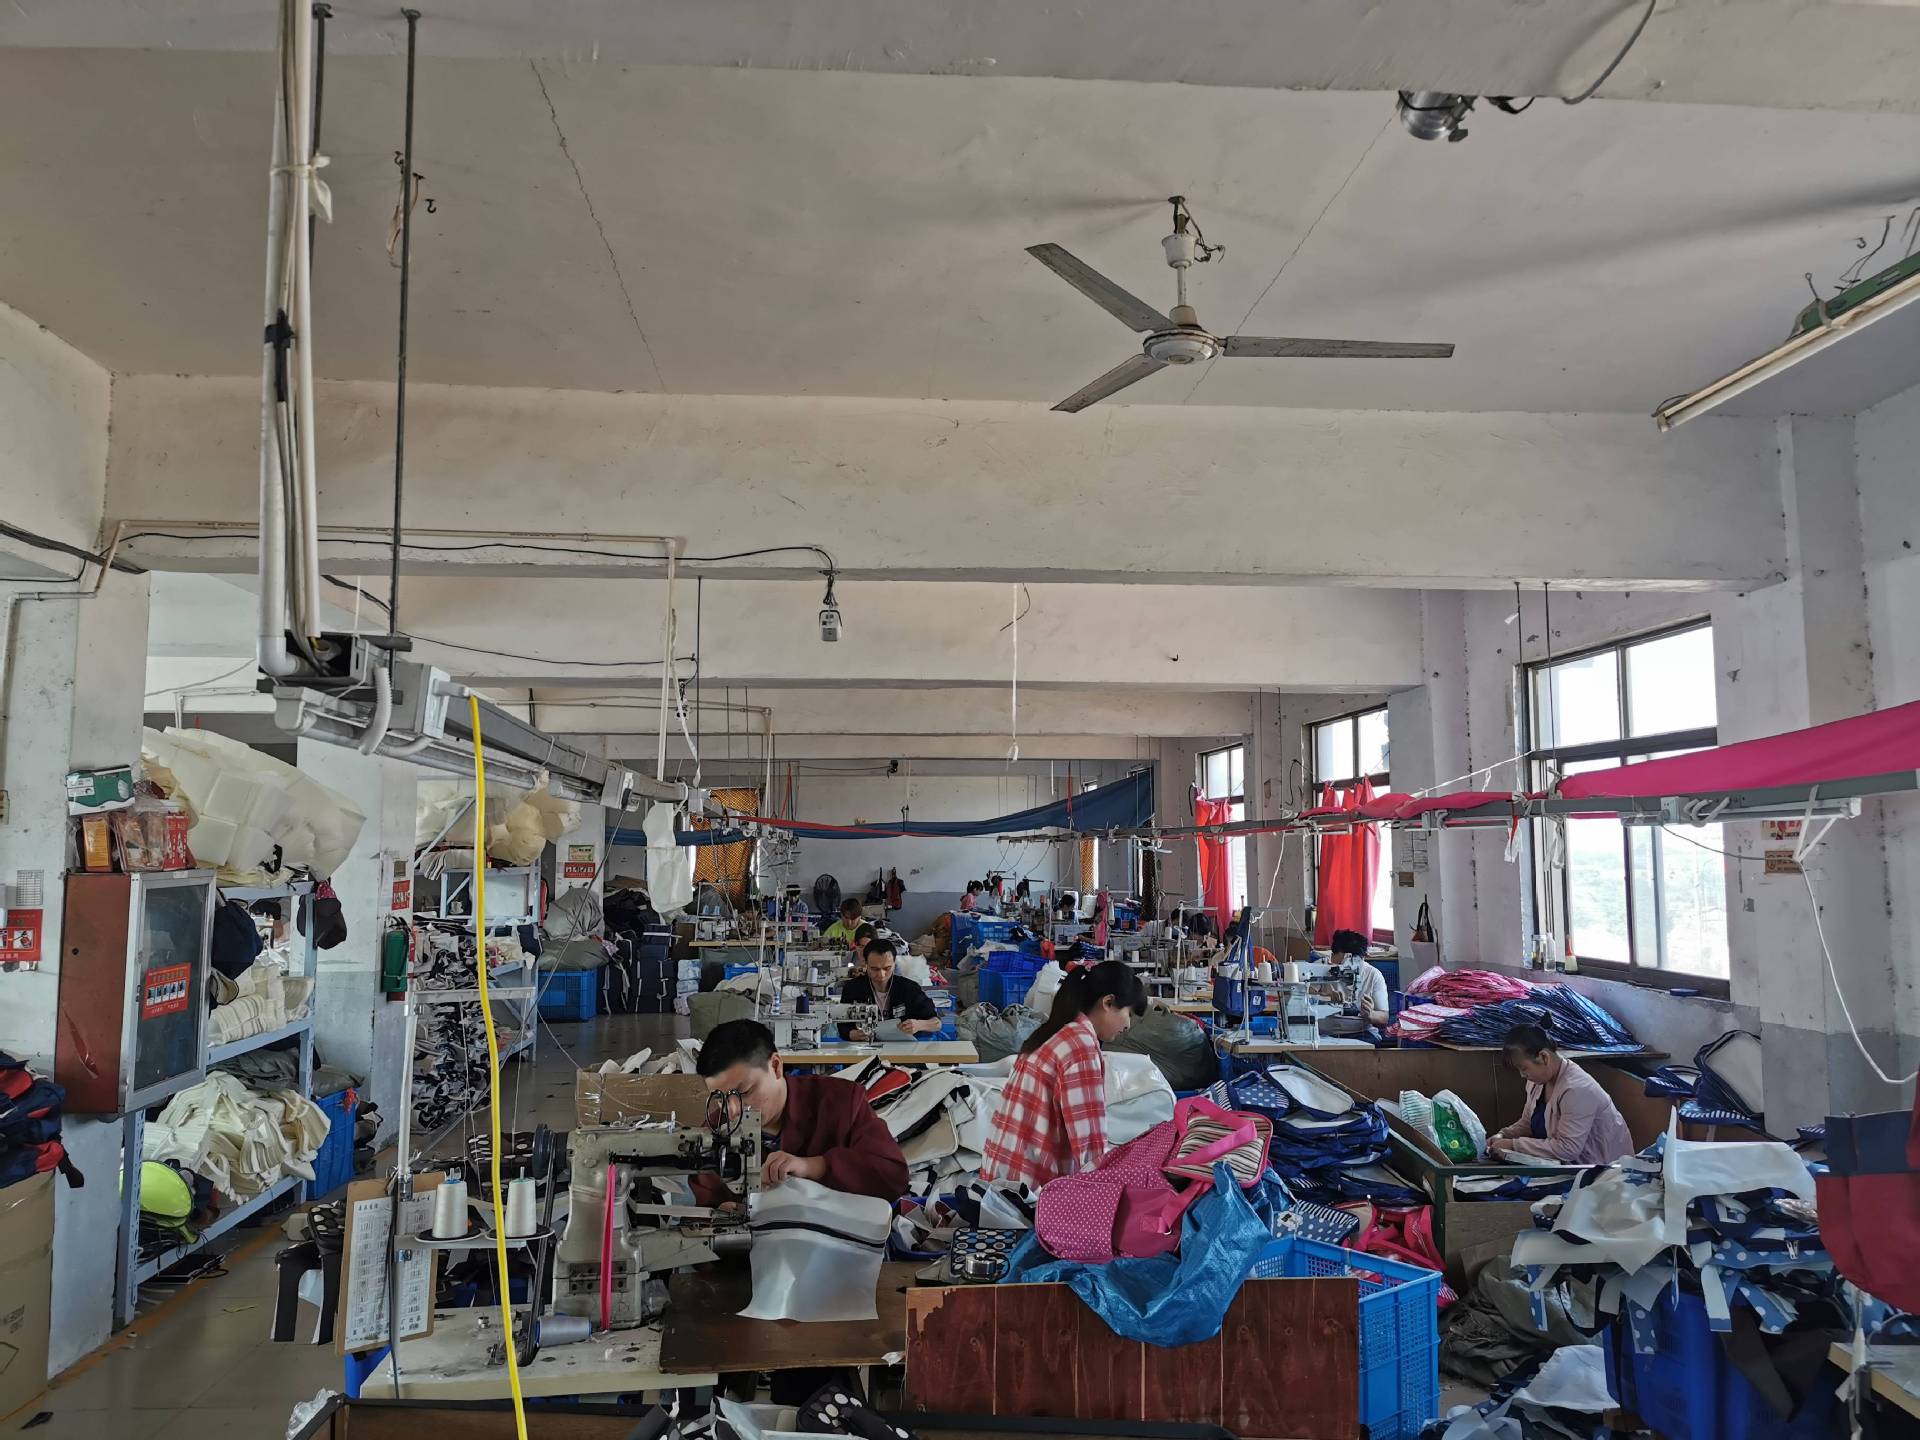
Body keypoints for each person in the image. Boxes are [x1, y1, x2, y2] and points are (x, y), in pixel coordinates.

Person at [694, 1019, 908, 1203]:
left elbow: (892, 1176)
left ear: (776, 1066)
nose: (732, 1110)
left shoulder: (840, 1102)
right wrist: (720, 1210)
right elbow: (707, 1197)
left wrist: (816, 1167)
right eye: (719, 1098)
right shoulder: (717, 1128)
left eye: (744, 1092)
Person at [979, 960, 1148, 1186]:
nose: (1127, 1026)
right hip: (1027, 1192)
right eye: (1129, 1014)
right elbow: (1090, 1152)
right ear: (1108, 1002)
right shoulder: (1080, 1046)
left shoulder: (1057, 1031)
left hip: (1000, 1179)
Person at [1491, 1024, 1635, 1165]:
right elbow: (1528, 1123)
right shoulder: (1537, 1082)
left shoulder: (1577, 1089)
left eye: (1523, 1068)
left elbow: (1568, 1148)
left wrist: (1514, 1145)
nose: (1522, 1075)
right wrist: (1503, 1135)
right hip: (1566, 1165)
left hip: (1602, 1170)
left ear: (1543, 1057)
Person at [839, 936, 940, 1040]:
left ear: (894, 963)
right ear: (865, 963)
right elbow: (842, 1026)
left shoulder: (909, 988)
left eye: (887, 968)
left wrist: (918, 1025)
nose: (881, 975)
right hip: (865, 1046)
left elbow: (937, 1023)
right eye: (874, 969)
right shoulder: (852, 988)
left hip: (903, 1046)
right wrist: (853, 1034)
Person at [1328, 928, 1392, 1027]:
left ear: (1362, 958)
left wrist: (1371, 1015)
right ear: (1333, 956)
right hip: (1326, 1031)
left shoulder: (1373, 975)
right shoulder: (1317, 969)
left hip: (1361, 1031)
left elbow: (1384, 1018)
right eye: (1343, 964)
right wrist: (1323, 998)